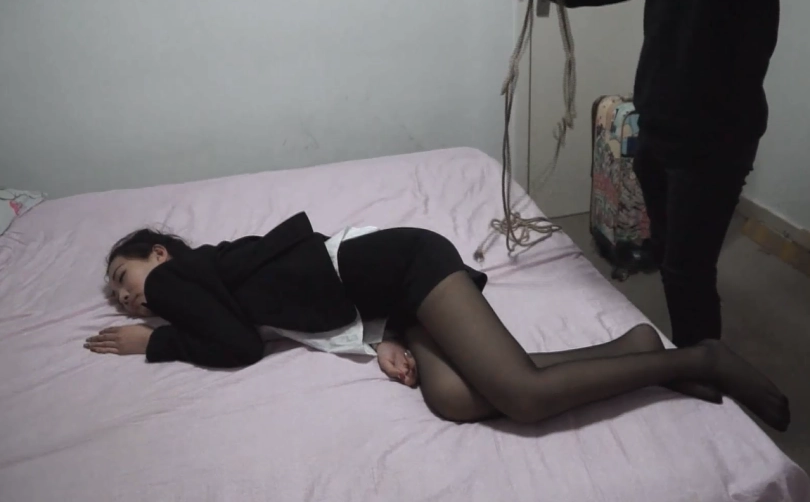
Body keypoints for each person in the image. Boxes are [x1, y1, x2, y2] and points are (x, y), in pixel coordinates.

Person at [86, 211, 790, 431]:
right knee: (455, 398)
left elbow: (238, 345)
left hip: (407, 265)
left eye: (125, 278)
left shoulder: (180, 281)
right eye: (118, 296)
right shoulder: (215, 279)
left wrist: (157, 342)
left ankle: (697, 357)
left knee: (522, 396)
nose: (127, 298)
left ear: (159, 254)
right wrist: (385, 339)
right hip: (391, 297)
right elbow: (300, 304)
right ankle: (631, 347)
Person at [515, 0, 782, 347]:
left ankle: (702, 367)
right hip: (658, 122)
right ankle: (687, 330)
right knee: (667, 245)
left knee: (688, 271)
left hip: (714, 139)